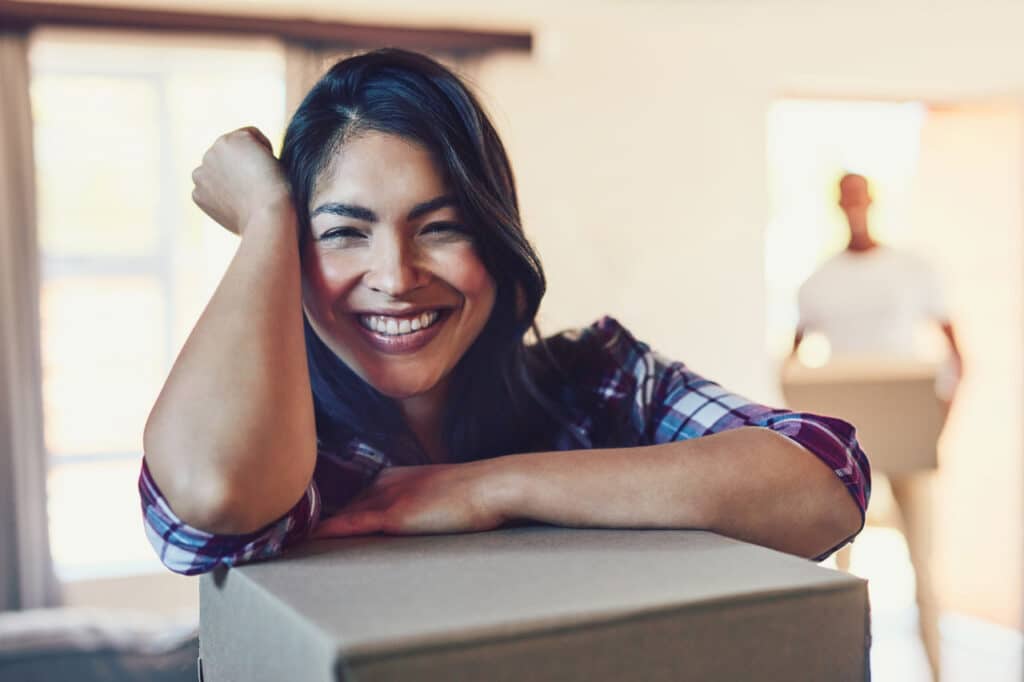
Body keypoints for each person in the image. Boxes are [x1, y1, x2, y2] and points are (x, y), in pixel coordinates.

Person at [140, 49, 870, 579]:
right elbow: (214, 500)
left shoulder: (598, 380)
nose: (396, 278)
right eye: (342, 232)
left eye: (441, 226)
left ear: (495, 236)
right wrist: (266, 218)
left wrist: (484, 486)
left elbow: (827, 485)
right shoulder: (284, 443)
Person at [792, 173, 959, 682]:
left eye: (860, 196)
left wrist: (935, 429)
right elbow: (792, 368)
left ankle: (938, 673)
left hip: (909, 436)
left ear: (873, 200)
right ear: (836, 205)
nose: (854, 206)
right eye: (845, 198)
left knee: (924, 571)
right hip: (848, 449)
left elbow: (958, 356)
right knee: (845, 573)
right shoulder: (818, 282)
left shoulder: (913, 269)